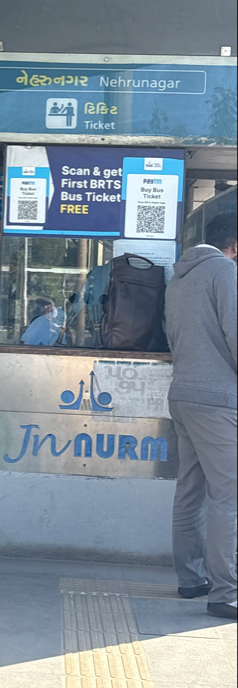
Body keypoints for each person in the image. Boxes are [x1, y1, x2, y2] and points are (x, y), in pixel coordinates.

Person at [165, 212, 238, 621]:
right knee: (229, 495)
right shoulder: (224, 272)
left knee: (189, 489)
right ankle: (227, 593)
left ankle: (191, 578)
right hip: (217, 399)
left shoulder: (179, 276)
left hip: (183, 393)